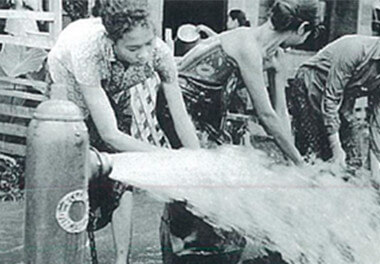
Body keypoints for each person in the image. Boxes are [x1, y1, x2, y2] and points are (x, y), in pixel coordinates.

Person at [158, 0, 322, 263]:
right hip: (180, 105)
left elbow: (278, 114)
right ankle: (186, 248)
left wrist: (279, 79)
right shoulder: (248, 45)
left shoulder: (266, 51)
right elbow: (266, 116)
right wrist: (299, 162)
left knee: (224, 175)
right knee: (207, 176)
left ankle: (206, 245)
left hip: (208, 111)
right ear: (303, 27)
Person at [47, 0, 199, 263]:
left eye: (148, 43)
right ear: (112, 42)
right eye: (133, 48)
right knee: (74, 173)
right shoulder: (89, 50)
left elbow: (179, 114)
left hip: (113, 91)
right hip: (68, 88)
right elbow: (109, 134)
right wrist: (169, 157)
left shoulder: (159, 53)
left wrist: (197, 160)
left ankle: (121, 260)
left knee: (122, 175)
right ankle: (71, 252)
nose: (144, 54)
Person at [285, 13, 380, 186]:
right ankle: (302, 193)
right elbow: (331, 97)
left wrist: (376, 173)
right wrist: (336, 147)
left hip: (340, 102)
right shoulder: (356, 48)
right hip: (309, 85)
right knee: (314, 153)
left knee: (353, 162)